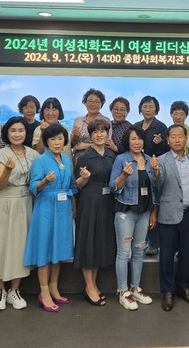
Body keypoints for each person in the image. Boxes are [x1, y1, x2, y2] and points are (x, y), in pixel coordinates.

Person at [0, 117, 39, 311]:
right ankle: (0, 290)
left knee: (20, 246)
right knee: (0, 245)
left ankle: (14, 290)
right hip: (6, 203)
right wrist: (8, 170)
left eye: (21, 130)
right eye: (13, 130)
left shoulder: (33, 154)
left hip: (26, 203)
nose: (17, 134)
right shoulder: (1, 154)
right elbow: (0, 185)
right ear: (7, 133)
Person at [24, 123, 77, 313]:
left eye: (60, 138)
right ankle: (44, 291)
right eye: (53, 139)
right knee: (45, 250)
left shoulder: (67, 160)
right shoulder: (40, 161)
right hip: (46, 208)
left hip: (63, 208)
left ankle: (54, 287)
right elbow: (33, 187)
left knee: (58, 249)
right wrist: (45, 181)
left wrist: (75, 202)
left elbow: (72, 186)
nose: (57, 142)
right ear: (46, 141)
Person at [154, 124, 189, 312]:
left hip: (188, 214)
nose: (177, 140)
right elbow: (157, 187)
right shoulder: (160, 161)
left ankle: (184, 287)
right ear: (168, 140)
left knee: (185, 254)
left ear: (186, 139)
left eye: (180, 136)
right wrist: (156, 172)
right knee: (166, 255)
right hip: (168, 213)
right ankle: (168, 291)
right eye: (173, 137)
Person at [109, 126, 157, 310]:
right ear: (127, 142)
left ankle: (135, 287)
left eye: (140, 139)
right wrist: (124, 175)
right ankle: (122, 291)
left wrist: (153, 211)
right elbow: (113, 187)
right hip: (125, 211)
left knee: (138, 250)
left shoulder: (149, 160)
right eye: (133, 139)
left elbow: (155, 188)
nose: (137, 142)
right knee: (123, 252)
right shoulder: (121, 159)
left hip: (144, 211)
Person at [74, 118, 116, 306]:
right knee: (88, 241)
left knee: (99, 241)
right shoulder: (85, 156)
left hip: (107, 202)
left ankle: (93, 284)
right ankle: (89, 286)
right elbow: (77, 184)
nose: (99, 135)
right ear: (90, 135)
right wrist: (84, 178)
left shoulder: (111, 155)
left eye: (102, 131)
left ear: (107, 134)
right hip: (89, 200)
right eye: (95, 132)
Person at [137, 95, 170, 255]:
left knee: (154, 204)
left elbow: (167, 150)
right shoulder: (136, 126)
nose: (148, 109)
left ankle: (154, 243)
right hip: (138, 169)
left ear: (156, 109)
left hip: (154, 169)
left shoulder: (161, 127)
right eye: (145, 106)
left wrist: (160, 143)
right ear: (140, 108)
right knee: (141, 204)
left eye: (151, 106)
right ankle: (141, 240)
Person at [72, 88, 116, 162]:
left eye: (96, 102)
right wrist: (75, 137)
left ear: (101, 104)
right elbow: (73, 144)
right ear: (85, 103)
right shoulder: (78, 120)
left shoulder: (105, 120)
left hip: (98, 158)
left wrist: (83, 146)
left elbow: (106, 142)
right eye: (90, 101)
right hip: (79, 159)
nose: (93, 104)